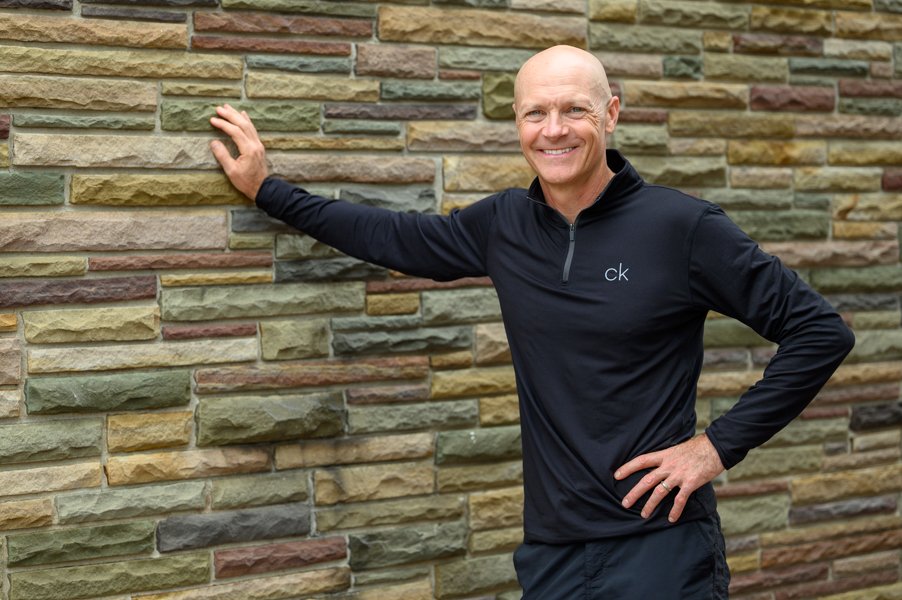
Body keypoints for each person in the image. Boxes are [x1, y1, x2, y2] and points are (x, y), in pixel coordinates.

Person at [210, 45, 854, 599]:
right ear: (517, 122)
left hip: (659, 547)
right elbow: (393, 237)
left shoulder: (681, 228)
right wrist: (269, 190)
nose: (554, 130)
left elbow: (820, 331)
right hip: (552, 552)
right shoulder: (503, 226)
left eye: (574, 110)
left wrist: (714, 448)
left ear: (611, 114)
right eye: (535, 113)